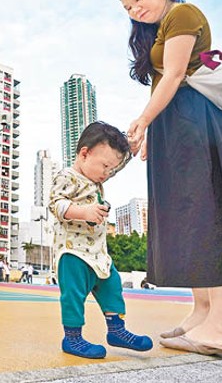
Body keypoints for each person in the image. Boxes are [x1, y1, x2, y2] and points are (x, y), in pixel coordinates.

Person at [118, 0, 222, 363]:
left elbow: (177, 72)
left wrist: (144, 121)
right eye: (127, 7)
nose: (134, 10)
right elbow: (166, 80)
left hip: (199, 121)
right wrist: (155, 131)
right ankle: (204, 313)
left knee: (210, 211)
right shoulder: (160, 30)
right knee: (194, 217)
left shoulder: (183, 13)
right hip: (180, 126)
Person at [49, 122, 152, 359]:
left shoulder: (96, 180)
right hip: (73, 253)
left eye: (112, 169)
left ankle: (117, 330)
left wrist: (131, 146)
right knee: (73, 296)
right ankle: (72, 338)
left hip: (98, 253)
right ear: (84, 153)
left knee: (113, 286)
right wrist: (83, 212)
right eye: (105, 166)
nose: (107, 173)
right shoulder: (68, 176)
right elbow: (56, 204)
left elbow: (118, 161)